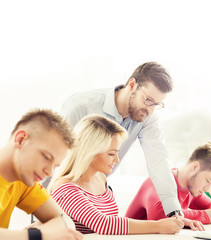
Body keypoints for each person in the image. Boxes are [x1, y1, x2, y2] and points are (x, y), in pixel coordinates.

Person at [61, 62, 183, 218]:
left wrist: (174, 211)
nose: (151, 110)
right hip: (63, 194)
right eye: (148, 100)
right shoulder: (80, 106)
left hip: (98, 195)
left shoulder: (147, 116)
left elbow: (158, 159)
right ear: (132, 84)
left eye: (157, 104)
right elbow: (57, 157)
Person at [49, 114, 184, 235]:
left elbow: (115, 223)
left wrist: (174, 222)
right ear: (90, 152)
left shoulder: (100, 179)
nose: (117, 160)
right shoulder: (65, 188)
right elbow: (104, 224)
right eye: (111, 154)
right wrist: (158, 226)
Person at [0, 109, 83, 240]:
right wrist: (37, 235)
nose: (49, 172)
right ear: (21, 139)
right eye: (46, 157)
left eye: (55, 166)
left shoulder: (23, 181)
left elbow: (65, 222)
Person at [125, 142, 211, 231]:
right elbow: (161, 215)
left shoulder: (192, 188)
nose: (207, 189)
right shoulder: (160, 180)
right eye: (208, 180)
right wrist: (204, 216)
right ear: (195, 167)